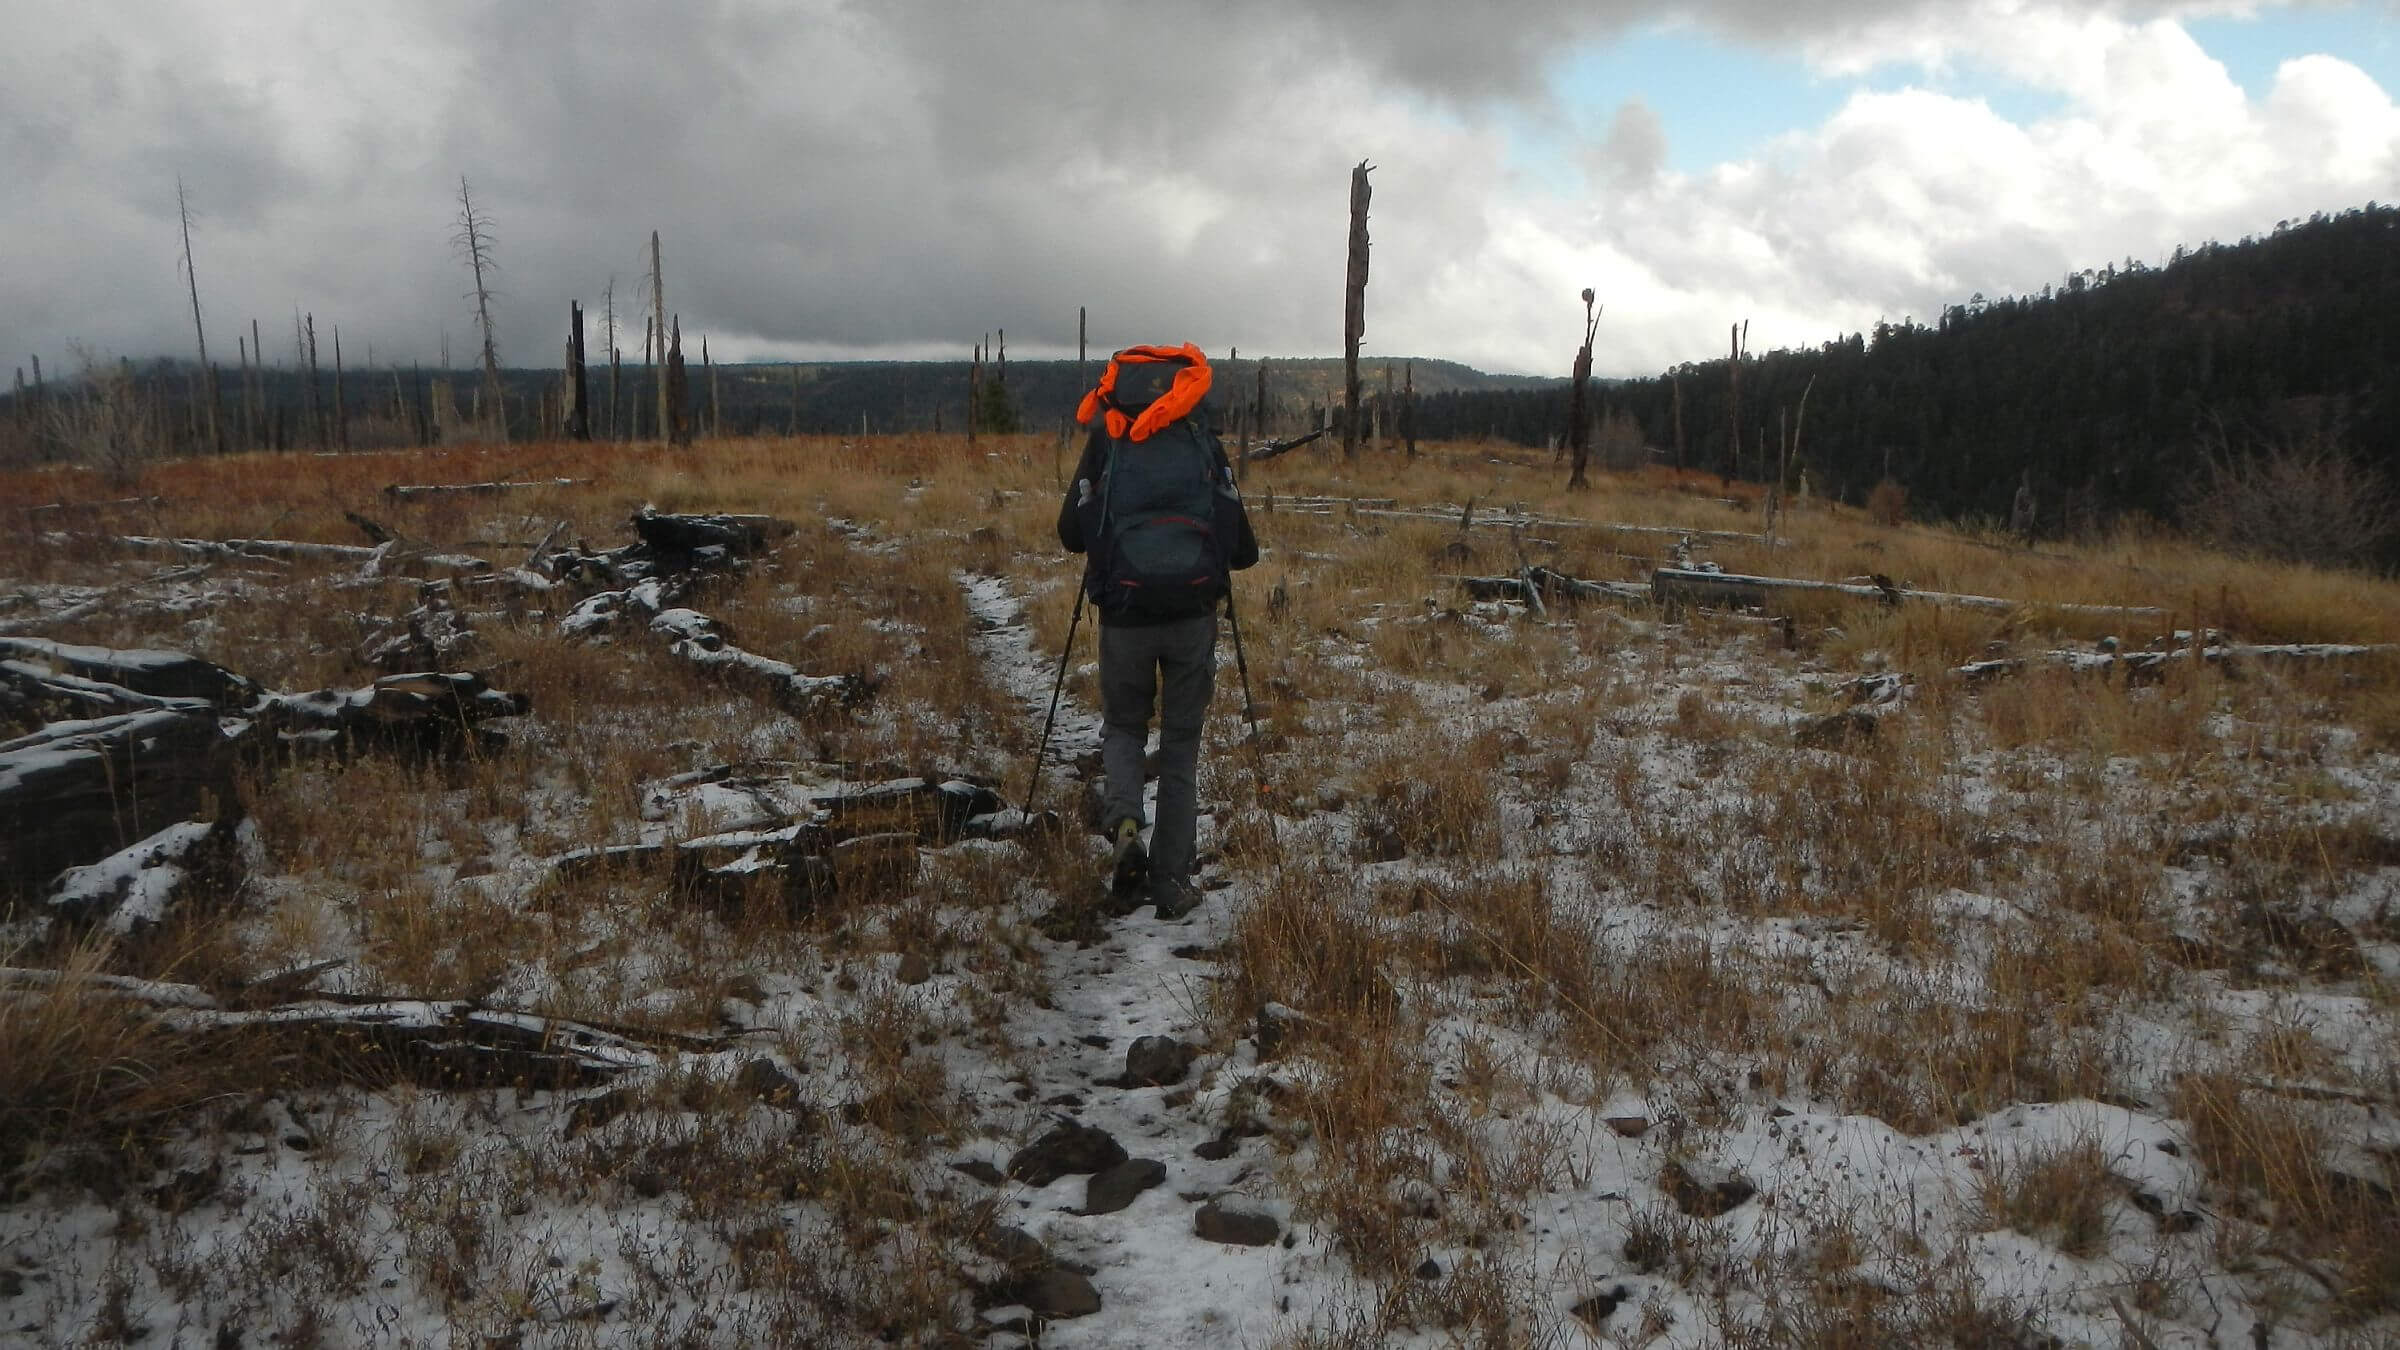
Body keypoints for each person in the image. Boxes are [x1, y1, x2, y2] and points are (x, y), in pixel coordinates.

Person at [1056, 343, 1258, 919]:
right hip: (1192, 615)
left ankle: (1123, 827)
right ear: (1183, 388)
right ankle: (1170, 881)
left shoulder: (1109, 441)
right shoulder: (1201, 443)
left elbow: (1071, 531)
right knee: (1180, 747)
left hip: (1124, 613)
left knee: (1122, 727)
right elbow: (1243, 548)